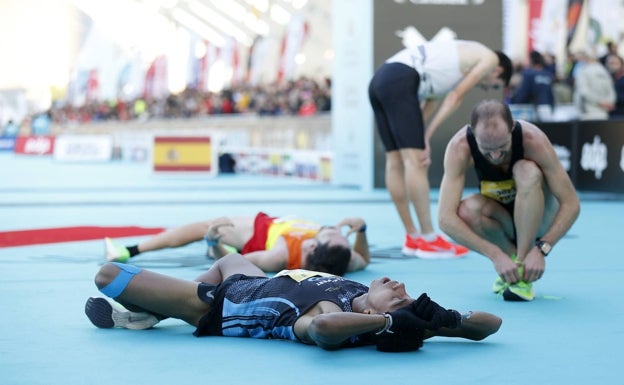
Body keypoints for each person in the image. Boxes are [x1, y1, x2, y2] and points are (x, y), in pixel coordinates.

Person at [84, 253, 502, 352]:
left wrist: (389, 326)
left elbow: (321, 332)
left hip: (218, 305)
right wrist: (448, 320)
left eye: (399, 297)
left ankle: (160, 309)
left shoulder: (331, 315)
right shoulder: (359, 296)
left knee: (109, 274)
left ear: (378, 314)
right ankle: (150, 313)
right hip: (253, 279)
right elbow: (491, 324)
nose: (400, 284)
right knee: (229, 256)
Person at [368, 39, 513, 258]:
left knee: (395, 161)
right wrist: (425, 136)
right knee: (415, 162)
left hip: (380, 81)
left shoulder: (446, 68)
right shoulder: (489, 58)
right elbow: (455, 97)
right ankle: (428, 238)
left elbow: (430, 104)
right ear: (498, 70)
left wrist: (423, 136)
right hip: (400, 80)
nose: (485, 88)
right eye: (493, 84)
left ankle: (413, 236)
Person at [437, 99, 580, 302]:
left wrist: (542, 248)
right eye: (486, 148)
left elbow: (571, 203)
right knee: (467, 211)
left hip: (541, 219)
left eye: (502, 146)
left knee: (526, 171)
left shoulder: (533, 140)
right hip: (502, 221)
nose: (495, 155)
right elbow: (445, 219)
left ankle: (522, 262)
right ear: (473, 134)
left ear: (512, 127)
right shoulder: (459, 147)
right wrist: (495, 255)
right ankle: (515, 266)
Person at [105, 213, 370, 276]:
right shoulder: (345, 255)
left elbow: (229, 264)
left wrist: (213, 243)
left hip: (259, 233)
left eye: (329, 233)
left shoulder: (277, 256)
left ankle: (130, 250)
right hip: (275, 226)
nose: (337, 230)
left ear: (312, 247)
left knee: (202, 228)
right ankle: (218, 243)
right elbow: (364, 259)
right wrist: (363, 231)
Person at [509, 50, 556, 121]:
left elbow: (524, 92)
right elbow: (550, 93)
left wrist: (515, 101)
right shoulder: (547, 74)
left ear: (531, 60)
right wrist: (552, 106)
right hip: (547, 107)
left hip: (532, 109)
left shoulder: (529, 74)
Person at [572, 48, 616, 120]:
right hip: (604, 112)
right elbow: (611, 90)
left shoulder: (583, 71)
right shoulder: (604, 71)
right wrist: (608, 103)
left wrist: (600, 102)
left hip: (588, 113)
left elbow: (583, 91)